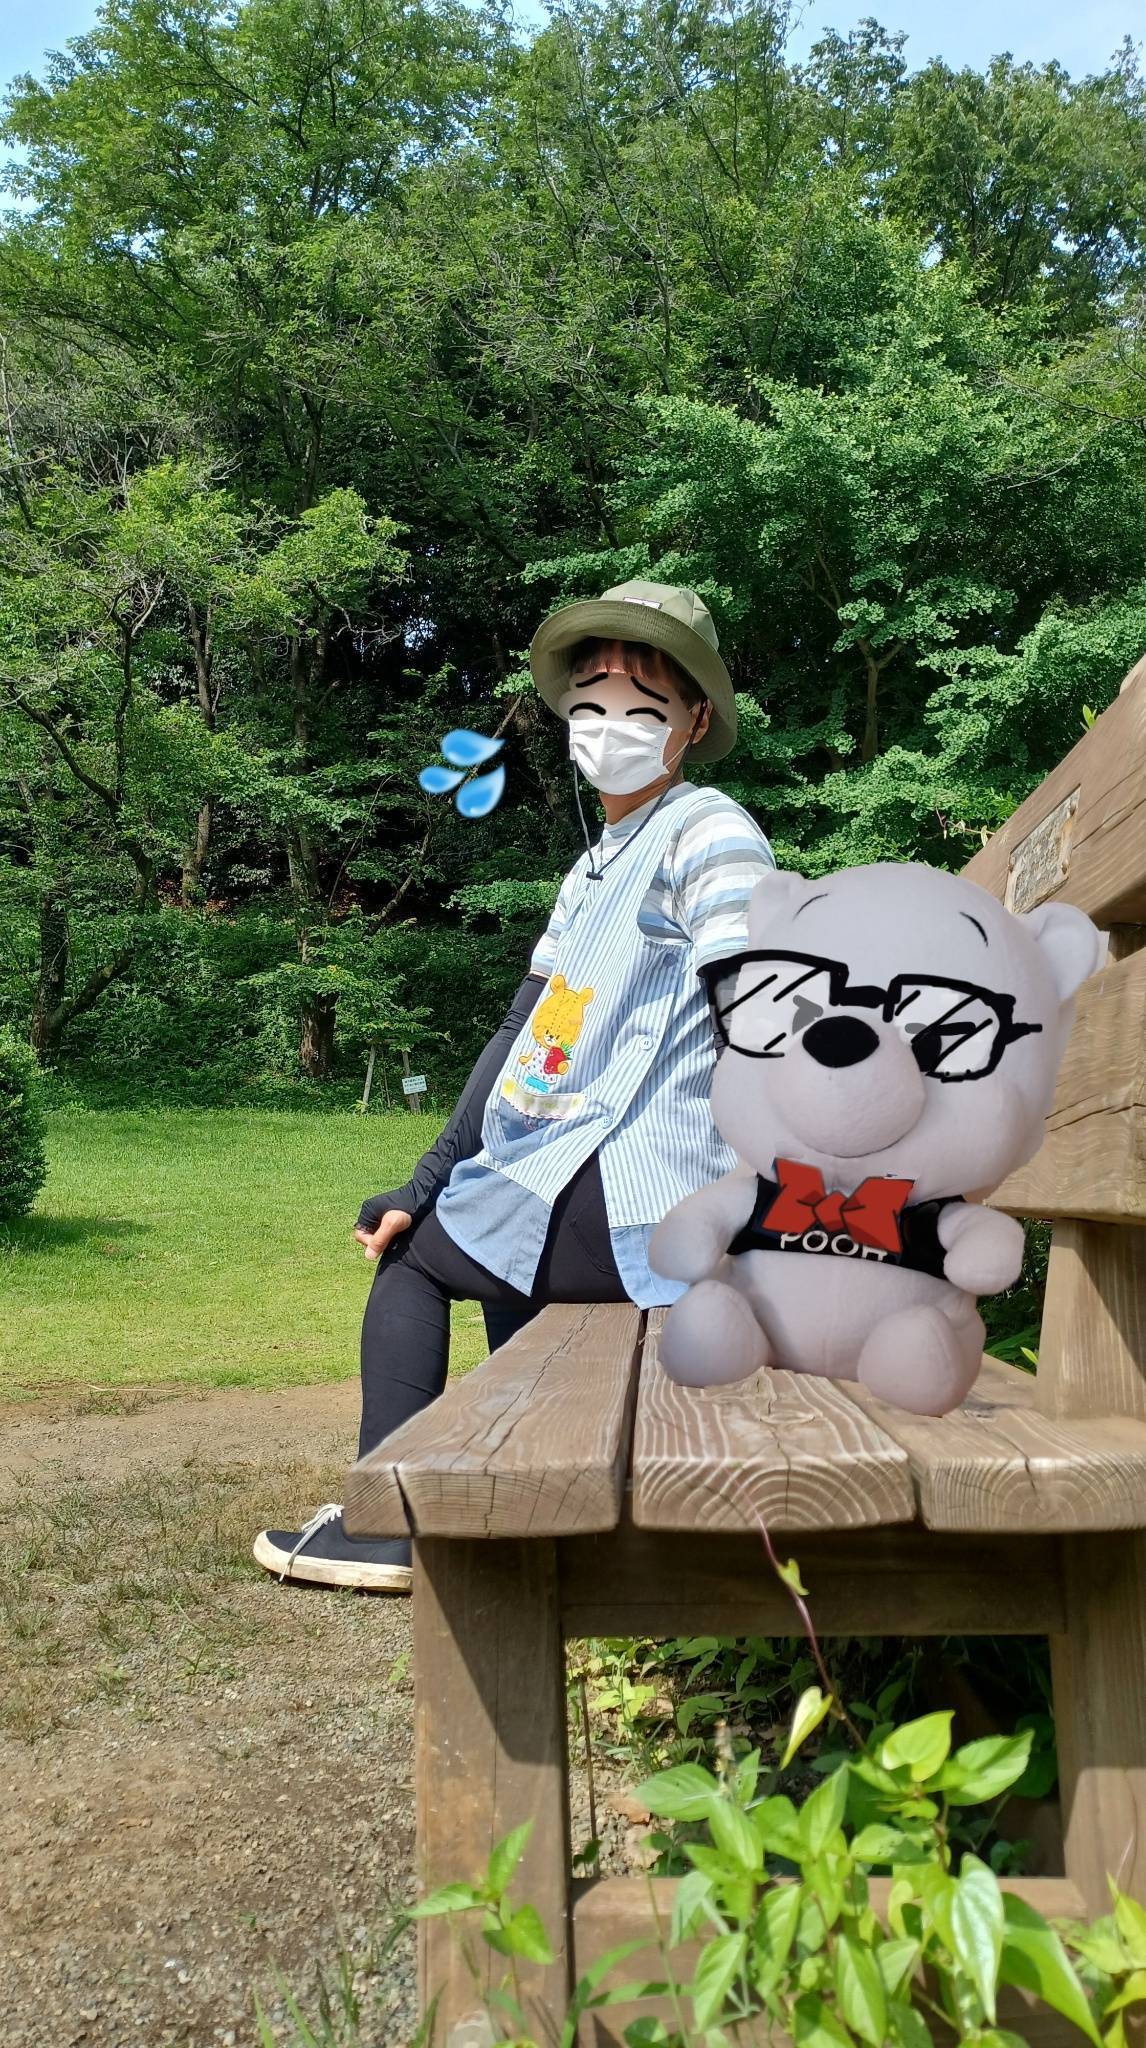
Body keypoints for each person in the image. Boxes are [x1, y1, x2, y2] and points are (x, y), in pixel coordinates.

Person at [254, 580, 775, 1591]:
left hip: (647, 1194)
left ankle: (388, 1523)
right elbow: (517, 1034)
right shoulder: (593, 871)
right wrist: (424, 1181)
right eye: (591, 703)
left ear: (694, 722)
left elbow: (750, 996)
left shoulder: (708, 827)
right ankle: (523, 1507)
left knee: (415, 1265)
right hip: (594, 1183)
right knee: (481, 1227)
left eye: (643, 706)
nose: (610, 726)